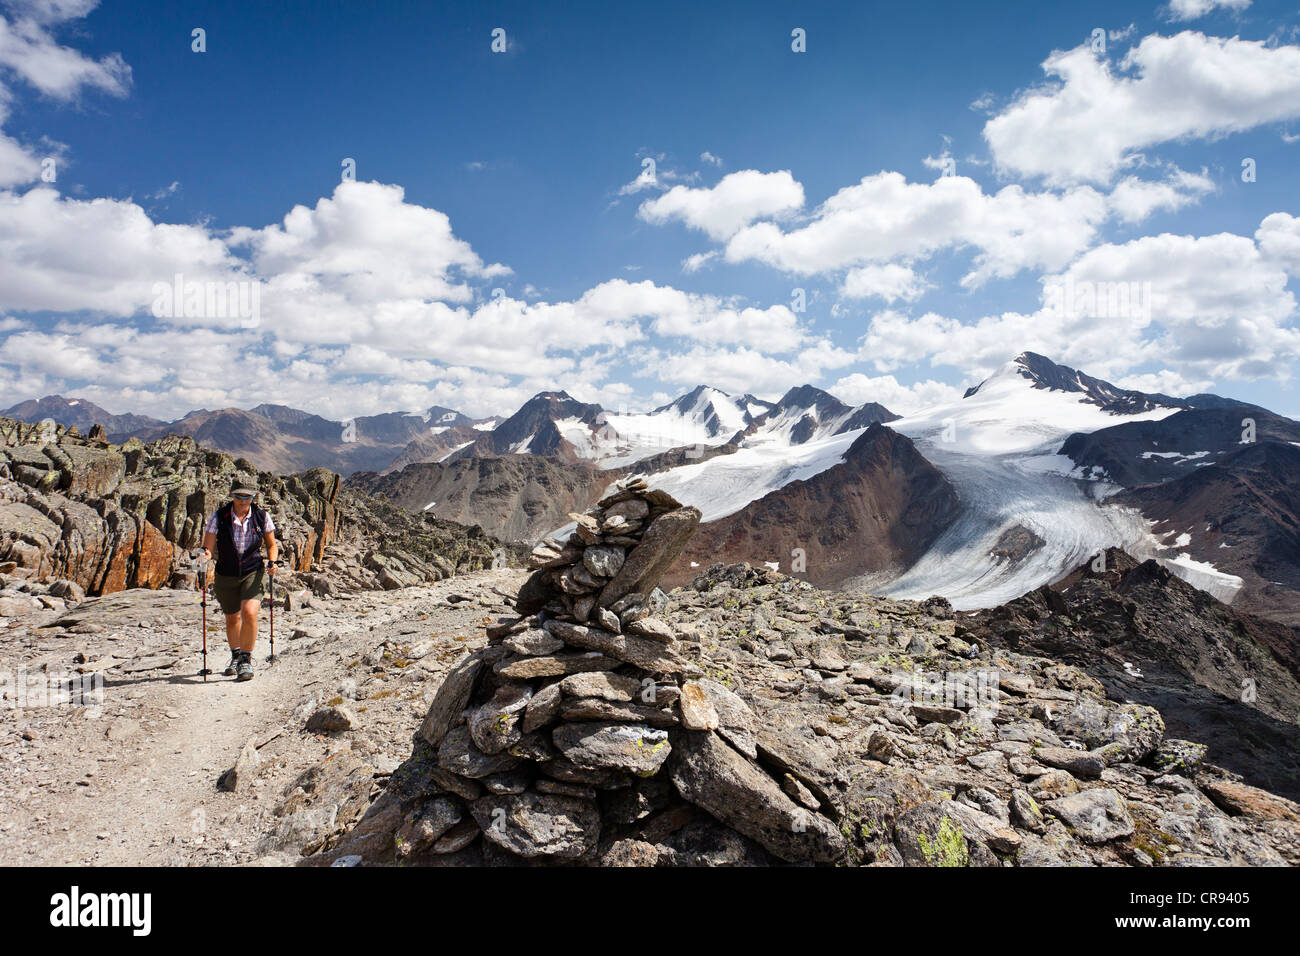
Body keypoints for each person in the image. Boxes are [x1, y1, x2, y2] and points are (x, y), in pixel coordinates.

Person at [198, 484, 278, 681]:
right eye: (239, 496)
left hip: (253, 570)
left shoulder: (261, 517)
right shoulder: (219, 517)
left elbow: (271, 544)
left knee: (249, 612)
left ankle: (245, 659)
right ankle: (235, 655)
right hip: (226, 573)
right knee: (232, 618)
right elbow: (207, 546)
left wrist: (272, 561)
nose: (243, 500)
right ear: (232, 495)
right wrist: (204, 556)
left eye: (248, 496)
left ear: (253, 497)